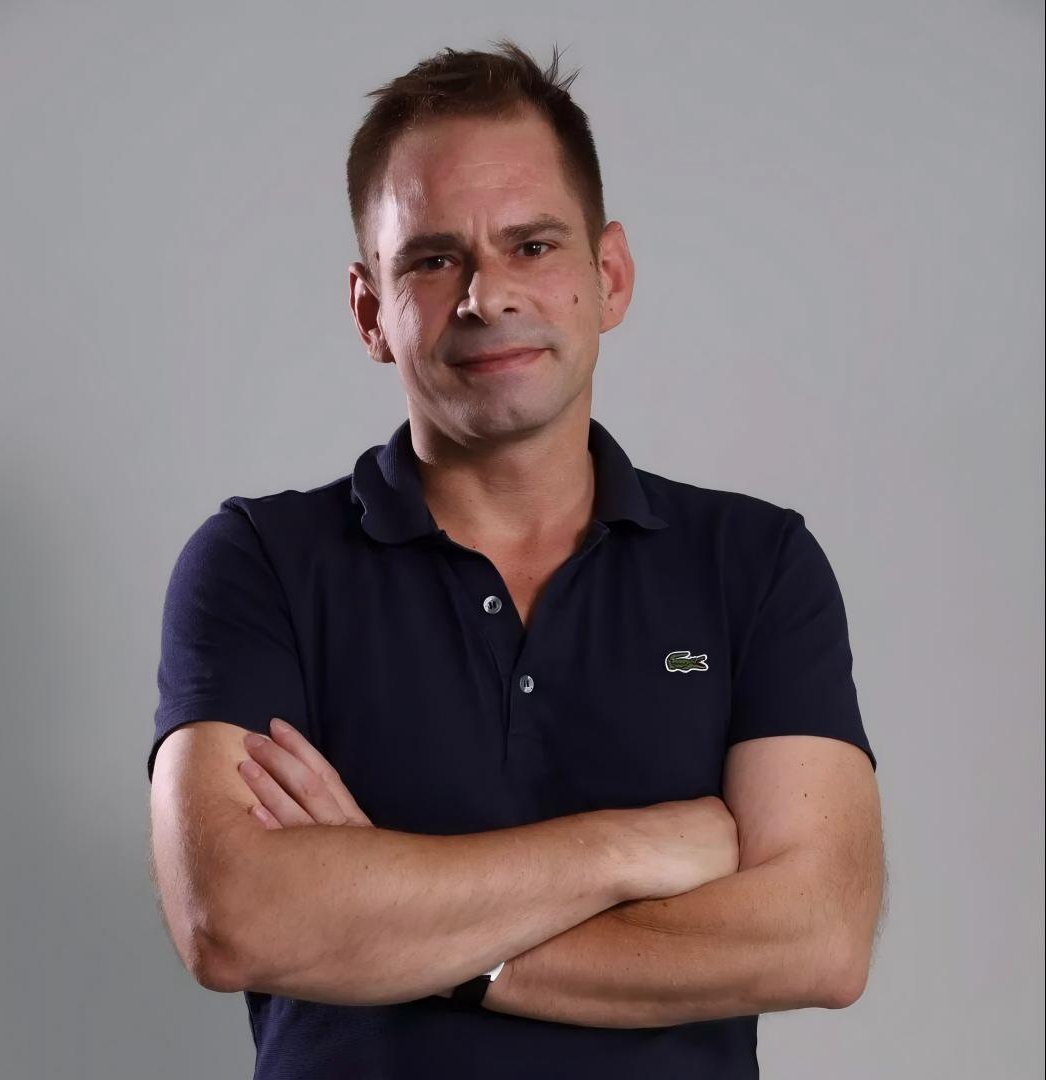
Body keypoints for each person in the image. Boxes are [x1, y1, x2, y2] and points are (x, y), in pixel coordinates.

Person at [147, 39, 884, 1079]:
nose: (486, 295)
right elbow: (233, 919)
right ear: (370, 310)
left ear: (608, 276)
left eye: (532, 245)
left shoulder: (756, 564)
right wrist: (626, 849)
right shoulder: (258, 563)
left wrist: (398, 931)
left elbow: (818, 937)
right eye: (432, 259)